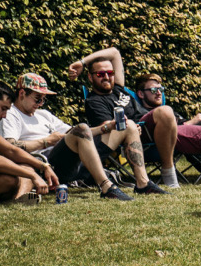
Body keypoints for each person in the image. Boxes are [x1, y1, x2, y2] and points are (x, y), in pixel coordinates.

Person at [0, 73, 136, 201]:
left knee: (121, 126)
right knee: (81, 128)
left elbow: (76, 132)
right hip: (41, 164)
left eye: (43, 100)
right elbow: (10, 147)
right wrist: (46, 142)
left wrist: (106, 127)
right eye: (37, 99)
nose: (40, 104)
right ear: (22, 93)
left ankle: (143, 183)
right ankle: (106, 186)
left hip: (63, 163)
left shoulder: (43, 114)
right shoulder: (11, 114)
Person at [69, 47, 185, 188]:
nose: (106, 77)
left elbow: (115, 52)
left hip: (162, 130)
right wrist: (130, 127)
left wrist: (82, 62)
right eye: (100, 74)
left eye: (110, 73)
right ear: (90, 77)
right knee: (165, 111)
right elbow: (109, 128)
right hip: (140, 133)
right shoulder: (94, 101)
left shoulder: (118, 88)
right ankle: (168, 171)